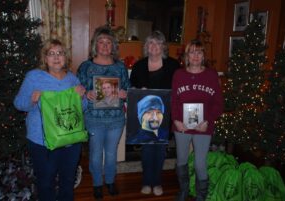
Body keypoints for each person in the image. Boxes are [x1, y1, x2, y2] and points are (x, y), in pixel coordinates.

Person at [13, 39, 86, 201]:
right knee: (46, 182)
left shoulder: (72, 79)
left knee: (68, 180)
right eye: (51, 54)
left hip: (70, 139)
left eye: (60, 53)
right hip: (42, 141)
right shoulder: (33, 77)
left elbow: (83, 109)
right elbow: (18, 104)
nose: (56, 57)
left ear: (65, 57)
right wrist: (32, 100)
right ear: (45, 58)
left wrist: (82, 98)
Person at [77, 25, 130, 200]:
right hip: (93, 118)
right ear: (95, 45)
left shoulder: (121, 67)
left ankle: (110, 180)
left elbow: (127, 90)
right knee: (95, 153)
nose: (105, 46)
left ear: (113, 46)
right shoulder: (85, 66)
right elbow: (77, 89)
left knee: (111, 153)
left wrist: (124, 93)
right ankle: (97, 183)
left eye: (109, 42)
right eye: (101, 42)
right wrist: (86, 93)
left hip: (116, 119)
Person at [171, 39, 223, 201]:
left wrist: (208, 120)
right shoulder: (179, 74)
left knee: (200, 164)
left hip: (203, 126)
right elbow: (174, 101)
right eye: (192, 52)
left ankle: (201, 196)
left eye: (199, 52)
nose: (195, 55)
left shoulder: (211, 75)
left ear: (203, 56)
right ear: (186, 56)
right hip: (182, 126)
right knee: (181, 160)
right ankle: (184, 190)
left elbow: (219, 103)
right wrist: (176, 121)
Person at [130, 30, 180, 196]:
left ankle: (157, 182)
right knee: (146, 150)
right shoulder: (139, 66)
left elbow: (180, 89)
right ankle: (146, 182)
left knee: (159, 150)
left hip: (165, 116)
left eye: (158, 43)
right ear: (146, 46)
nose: (155, 46)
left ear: (163, 47)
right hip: (145, 116)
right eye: (151, 43)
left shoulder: (173, 66)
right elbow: (132, 89)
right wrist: (139, 90)